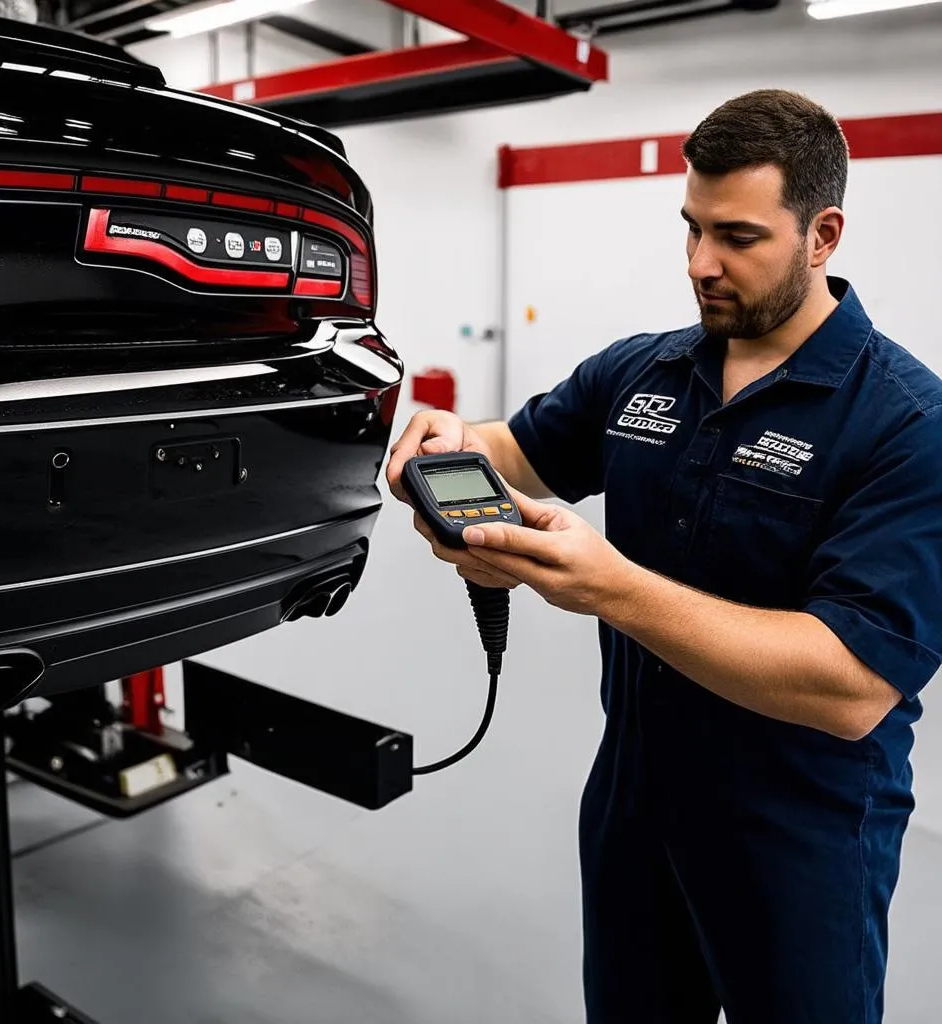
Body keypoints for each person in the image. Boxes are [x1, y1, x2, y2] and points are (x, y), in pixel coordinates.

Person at [385, 89, 942, 1024]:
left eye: (737, 237)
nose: (700, 265)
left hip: (799, 831)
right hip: (633, 800)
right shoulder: (644, 370)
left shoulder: (906, 424)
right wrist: (446, 442)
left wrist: (615, 589)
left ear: (823, 233)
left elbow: (852, 687)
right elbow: (515, 452)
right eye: (690, 228)